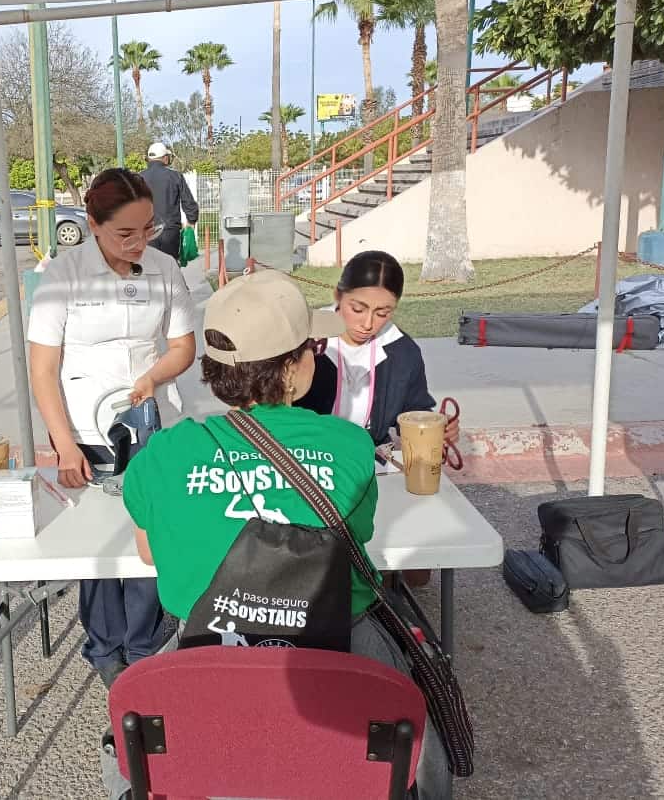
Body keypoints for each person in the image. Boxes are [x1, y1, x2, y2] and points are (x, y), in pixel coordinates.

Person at [118, 269, 452, 800]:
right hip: (341, 648)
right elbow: (353, 540)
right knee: (417, 724)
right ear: (296, 369)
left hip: (206, 658)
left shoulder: (162, 453)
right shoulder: (348, 445)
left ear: (213, 369)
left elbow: (150, 551)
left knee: (134, 728)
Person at [27, 167, 197, 688]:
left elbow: (183, 347)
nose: (139, 242)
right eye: (125, 233)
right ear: (92, 224)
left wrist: (153, 376)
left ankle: (144, 642)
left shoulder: (164, 268)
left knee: (150, 532)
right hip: (86, 427)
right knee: (97, 540)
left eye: (147, 228)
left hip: (152, 422)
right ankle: (104, 643)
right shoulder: (64, 276)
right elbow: (42, 369)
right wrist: (63, 444)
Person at [295, 250, 458, 450]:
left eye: (382, 313)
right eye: (357, 309)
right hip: (308, 458)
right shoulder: (303, 341)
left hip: (370, 461)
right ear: (338, 295)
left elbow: (412, 411)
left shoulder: (402, 351)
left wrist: (432, 425)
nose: (368, 324)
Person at [140, 142, 199, 262]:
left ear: (149, 159)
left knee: (151, 268)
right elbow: (188, 202)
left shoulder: (138, 178)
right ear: (165, 158)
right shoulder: (175, 176)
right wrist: (191, 220)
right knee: (170, 268)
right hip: (170, 231)